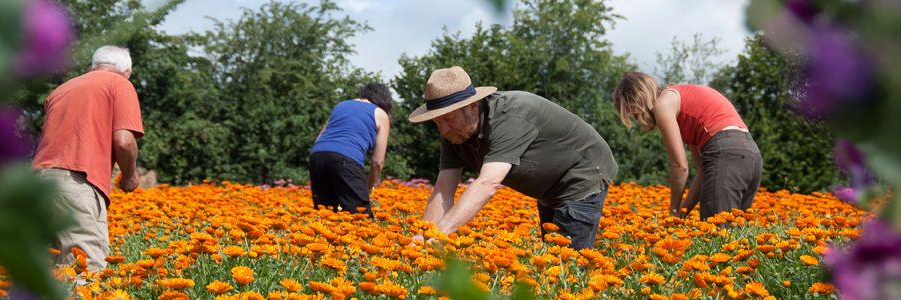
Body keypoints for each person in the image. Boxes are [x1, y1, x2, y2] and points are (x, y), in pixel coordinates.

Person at [408, 66, 619, 250]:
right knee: (551, 264)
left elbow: (487, 183)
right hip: (548, 187)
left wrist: (442, 233)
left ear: (473, 107)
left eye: (448, 118)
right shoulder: (453, 133)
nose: (443, 128)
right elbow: (443, 190)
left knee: (567, 266)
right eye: (436, 121)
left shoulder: (510, 117)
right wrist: (425, 236)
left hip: (582, 174)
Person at [32, 45, 144, 272]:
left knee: (45, 276)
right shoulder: (119, 83)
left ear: (91, 67)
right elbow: (124, 141)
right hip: (75, 183)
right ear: (127, 72)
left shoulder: (59, 91)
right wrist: (129, 175)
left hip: (37, 184)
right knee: (88, 273)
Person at [612, 71, 762, 222]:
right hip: (751, 155)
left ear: (638, 99)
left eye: (634, 112)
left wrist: (672, 212)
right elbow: (701, 171)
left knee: (717, 234)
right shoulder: (685, 101)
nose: (638, 119)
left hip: (726, 153)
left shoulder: (663, 104)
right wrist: (681, 215)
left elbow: (680, 167)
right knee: (734, 234)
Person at [309, 83, 392, 218]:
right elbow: (377, 161)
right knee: (360, 217)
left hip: (317, 156)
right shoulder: (380, 113)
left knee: (325, 215)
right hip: (345, 159)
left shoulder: (340, 105)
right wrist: (368, 189)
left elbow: (318, 139)